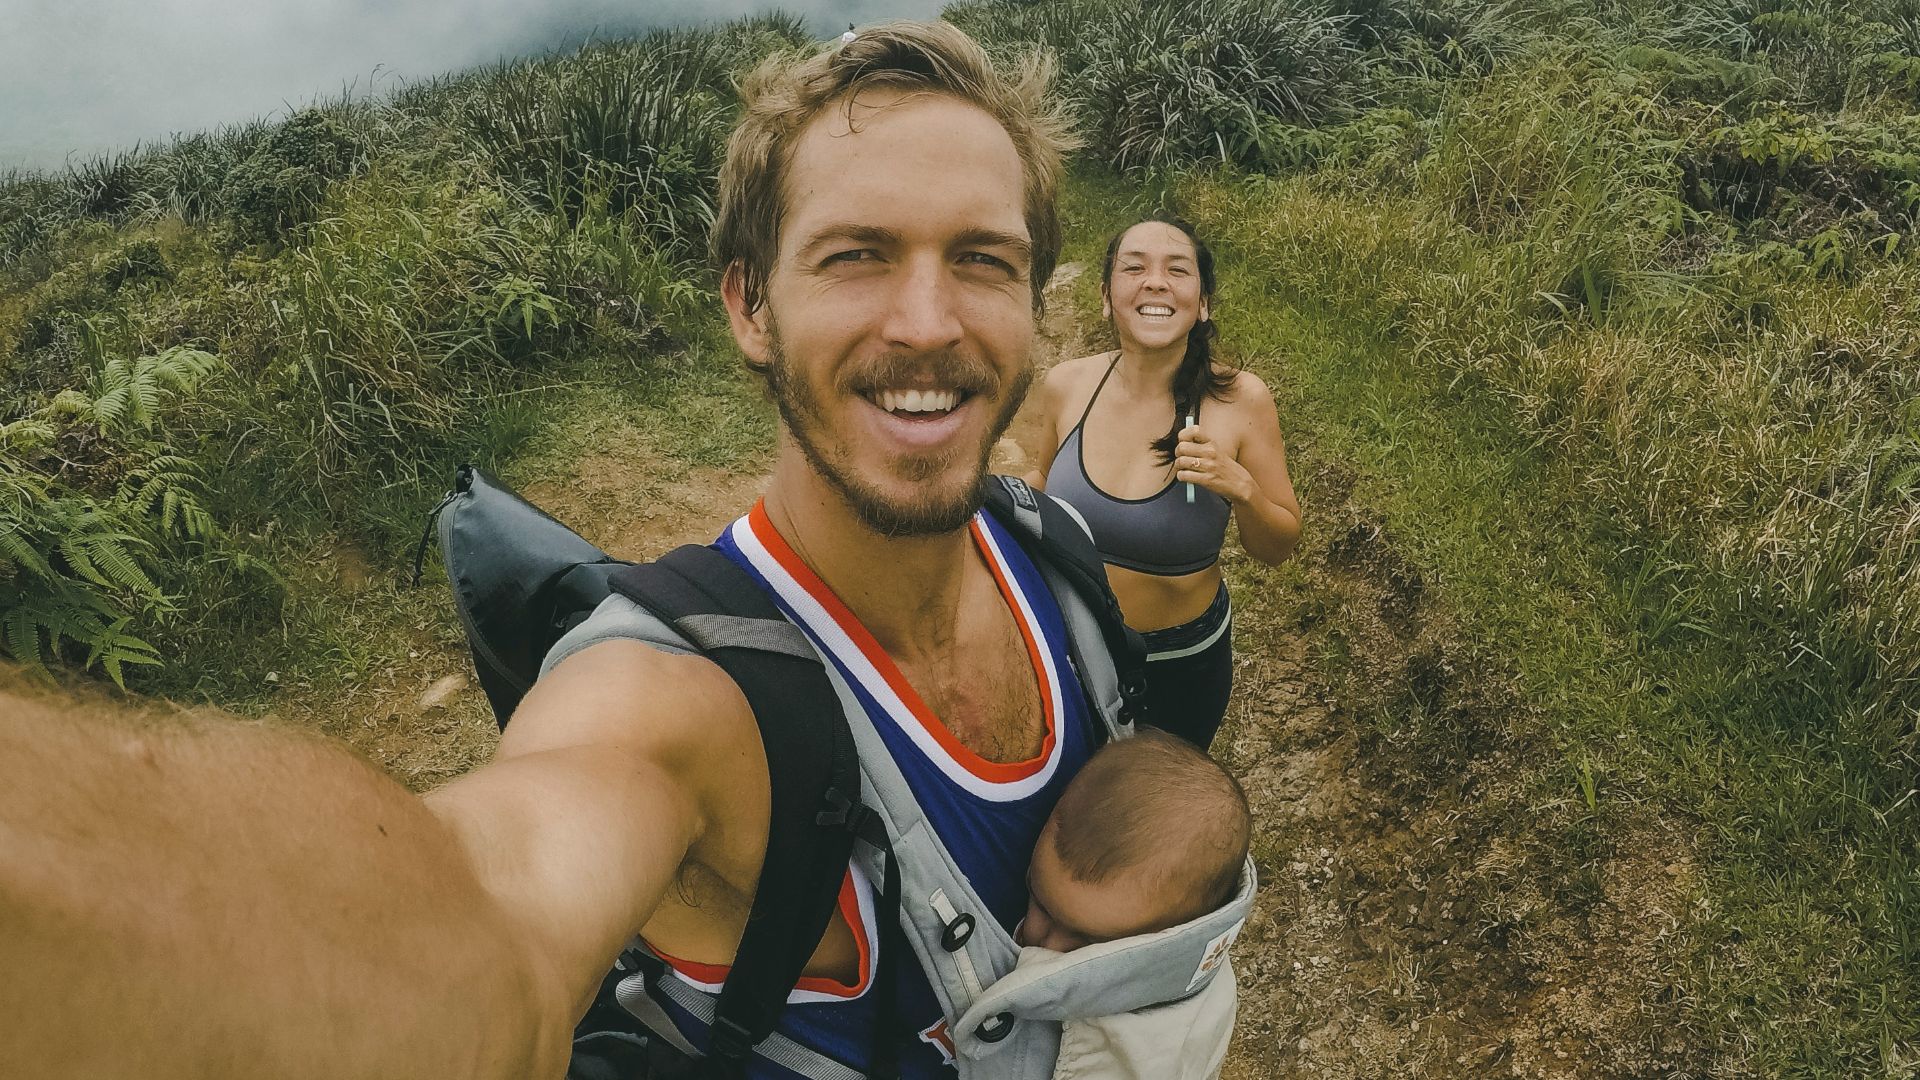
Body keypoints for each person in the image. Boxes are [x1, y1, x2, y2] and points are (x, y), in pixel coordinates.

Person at [0, 22, 1105, 1080]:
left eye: (982, 259)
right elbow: (489, 918)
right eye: (855, 255)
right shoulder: (676, 705)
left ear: (1038, 300)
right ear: (750, 306)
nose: (925, 321)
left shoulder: (1053, 555)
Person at [1023, 213, 1301, 750]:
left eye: (1177, 270)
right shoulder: (1066, 385)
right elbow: (1043, 475)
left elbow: (1278, 545)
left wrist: (1240, 487)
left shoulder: (1241, 401)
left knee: (1152, 818)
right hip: (1069, 644)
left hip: (1180, 664)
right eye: (1135, 268)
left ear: (1202, 305)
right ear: (1107, 297)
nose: (1155, 281)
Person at [1016, 730, 1251, 1080]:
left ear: (1170, 939)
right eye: (1042, 906)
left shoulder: (1144, 1056)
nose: (1046, 943)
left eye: (1087, 940)